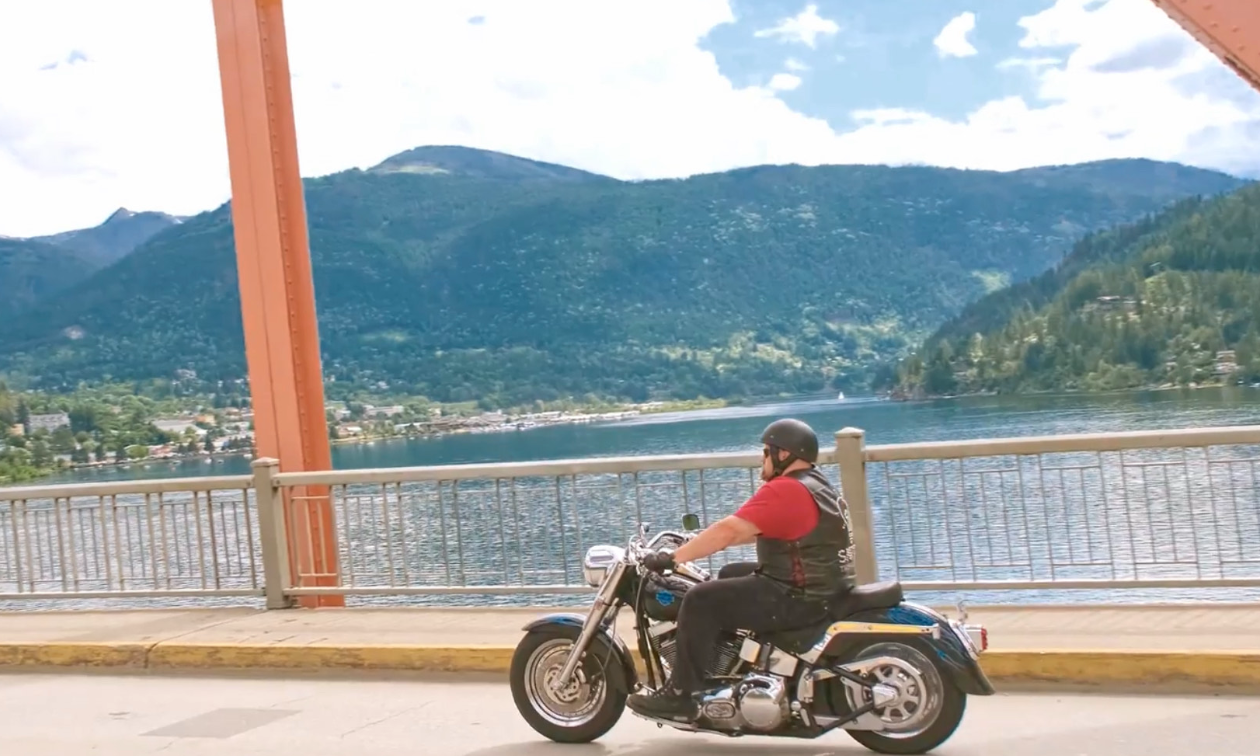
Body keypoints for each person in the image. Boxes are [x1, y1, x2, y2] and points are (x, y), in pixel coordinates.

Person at [626, 418, 858, 723]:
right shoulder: (816, 485)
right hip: (822, 586)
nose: (761, 460)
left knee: (700, 599)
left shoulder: (785, 489)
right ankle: (736, 668)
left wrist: (673, 557)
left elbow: (730, 531)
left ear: (783, 454)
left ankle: (681, 694)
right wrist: (699, 542)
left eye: (765, 452)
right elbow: (752, 530)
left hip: (799, 597)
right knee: (729, 573)